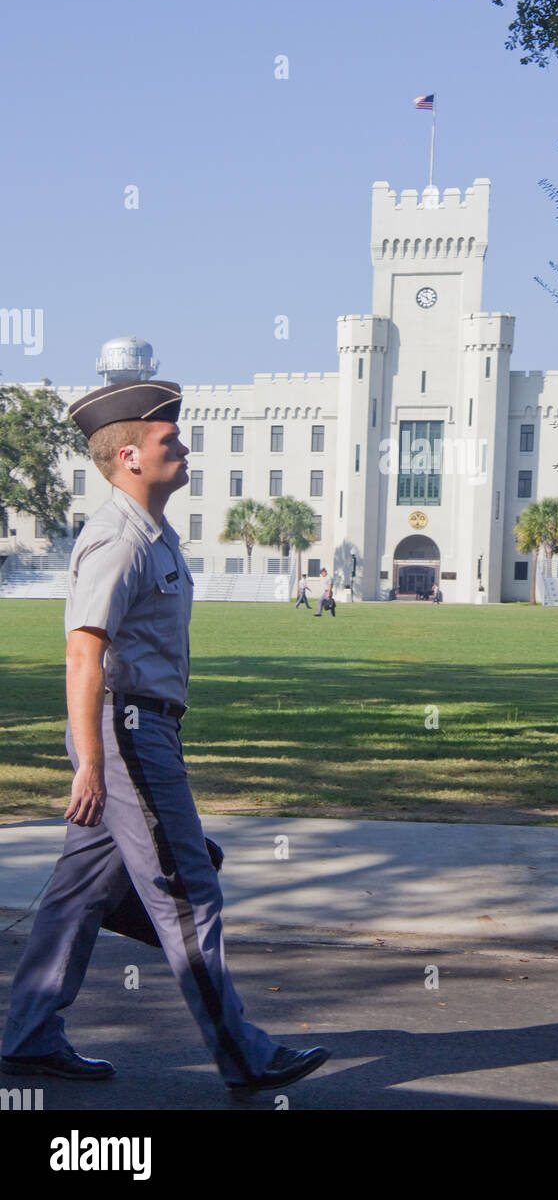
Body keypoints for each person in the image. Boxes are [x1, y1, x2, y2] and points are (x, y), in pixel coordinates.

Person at [0, 380, 330, 1098]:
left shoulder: (153, 533)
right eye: (167, 440)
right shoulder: (120, 538)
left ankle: (27, 1035)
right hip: (125, 734)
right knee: (189, 890)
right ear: (129, 456)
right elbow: (83, 653)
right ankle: (244, 1054)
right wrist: (91, 761)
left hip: (142, 731)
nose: (182, 447)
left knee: (78, 893)